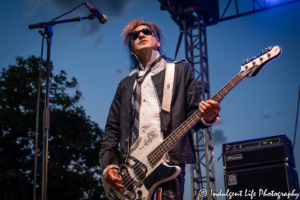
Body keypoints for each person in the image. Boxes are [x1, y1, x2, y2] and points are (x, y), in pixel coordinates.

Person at [99, 20, 221, 200]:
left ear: (157, 42)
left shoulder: (180, 71)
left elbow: (194, 115)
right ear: (131, 49)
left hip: (168, 162)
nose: (141, 35)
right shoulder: (125, 85)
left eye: (147, 32)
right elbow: (111, 129)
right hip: (131, 174)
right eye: (134, 35)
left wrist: (208, 117)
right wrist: (109, 166)